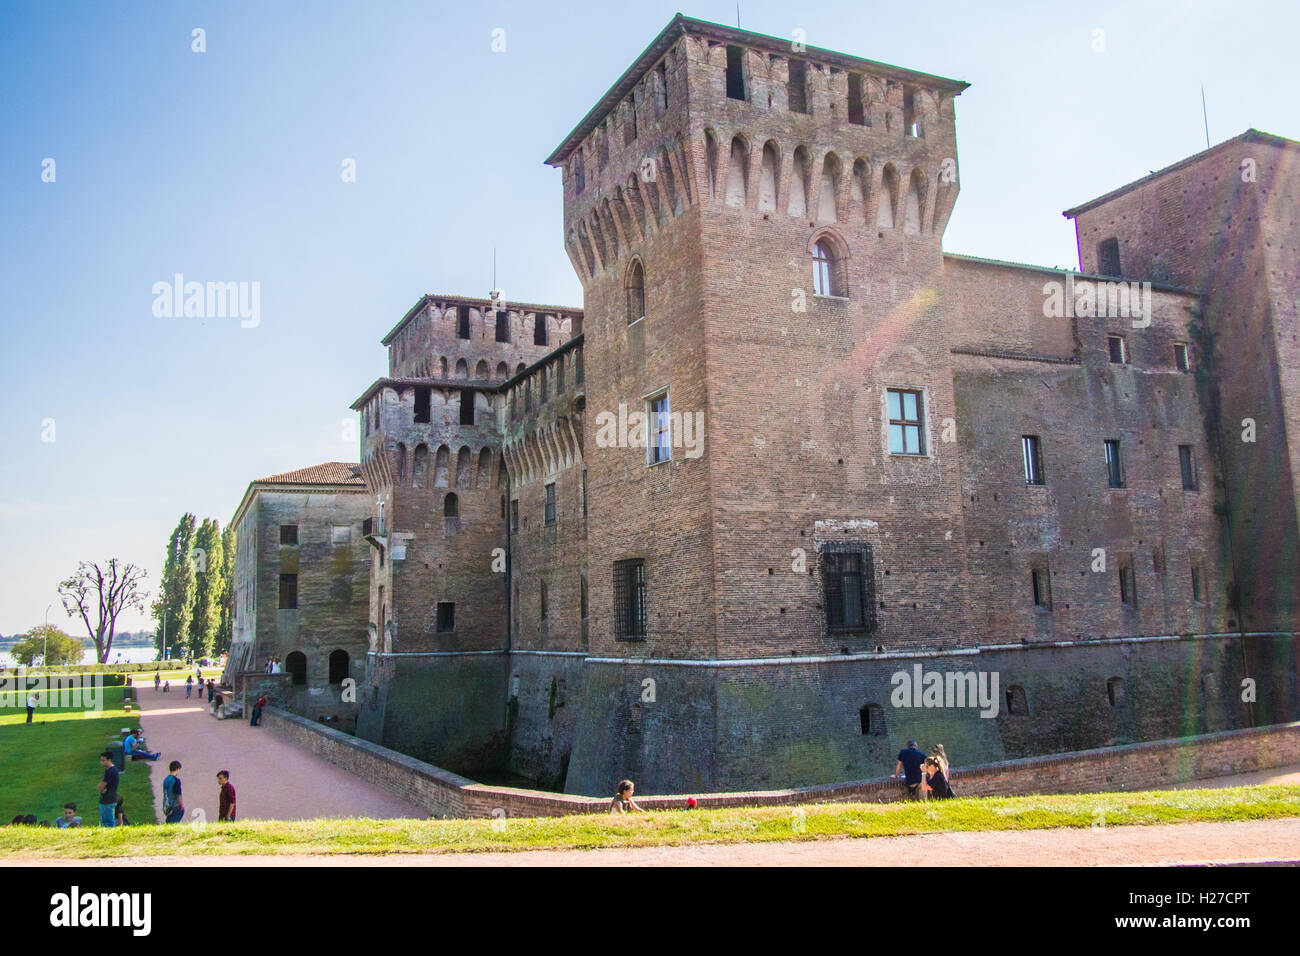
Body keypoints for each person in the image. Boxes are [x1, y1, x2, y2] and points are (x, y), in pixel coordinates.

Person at [97, 752, 119, 827]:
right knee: (105, 821)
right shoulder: (111, 770)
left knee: (107, 822)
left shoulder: (111, 771)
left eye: (103, 760)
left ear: (109, 760)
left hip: (107, 800)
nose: (101, 762)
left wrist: (100, 788)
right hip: (109, 798)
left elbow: (101, 787)